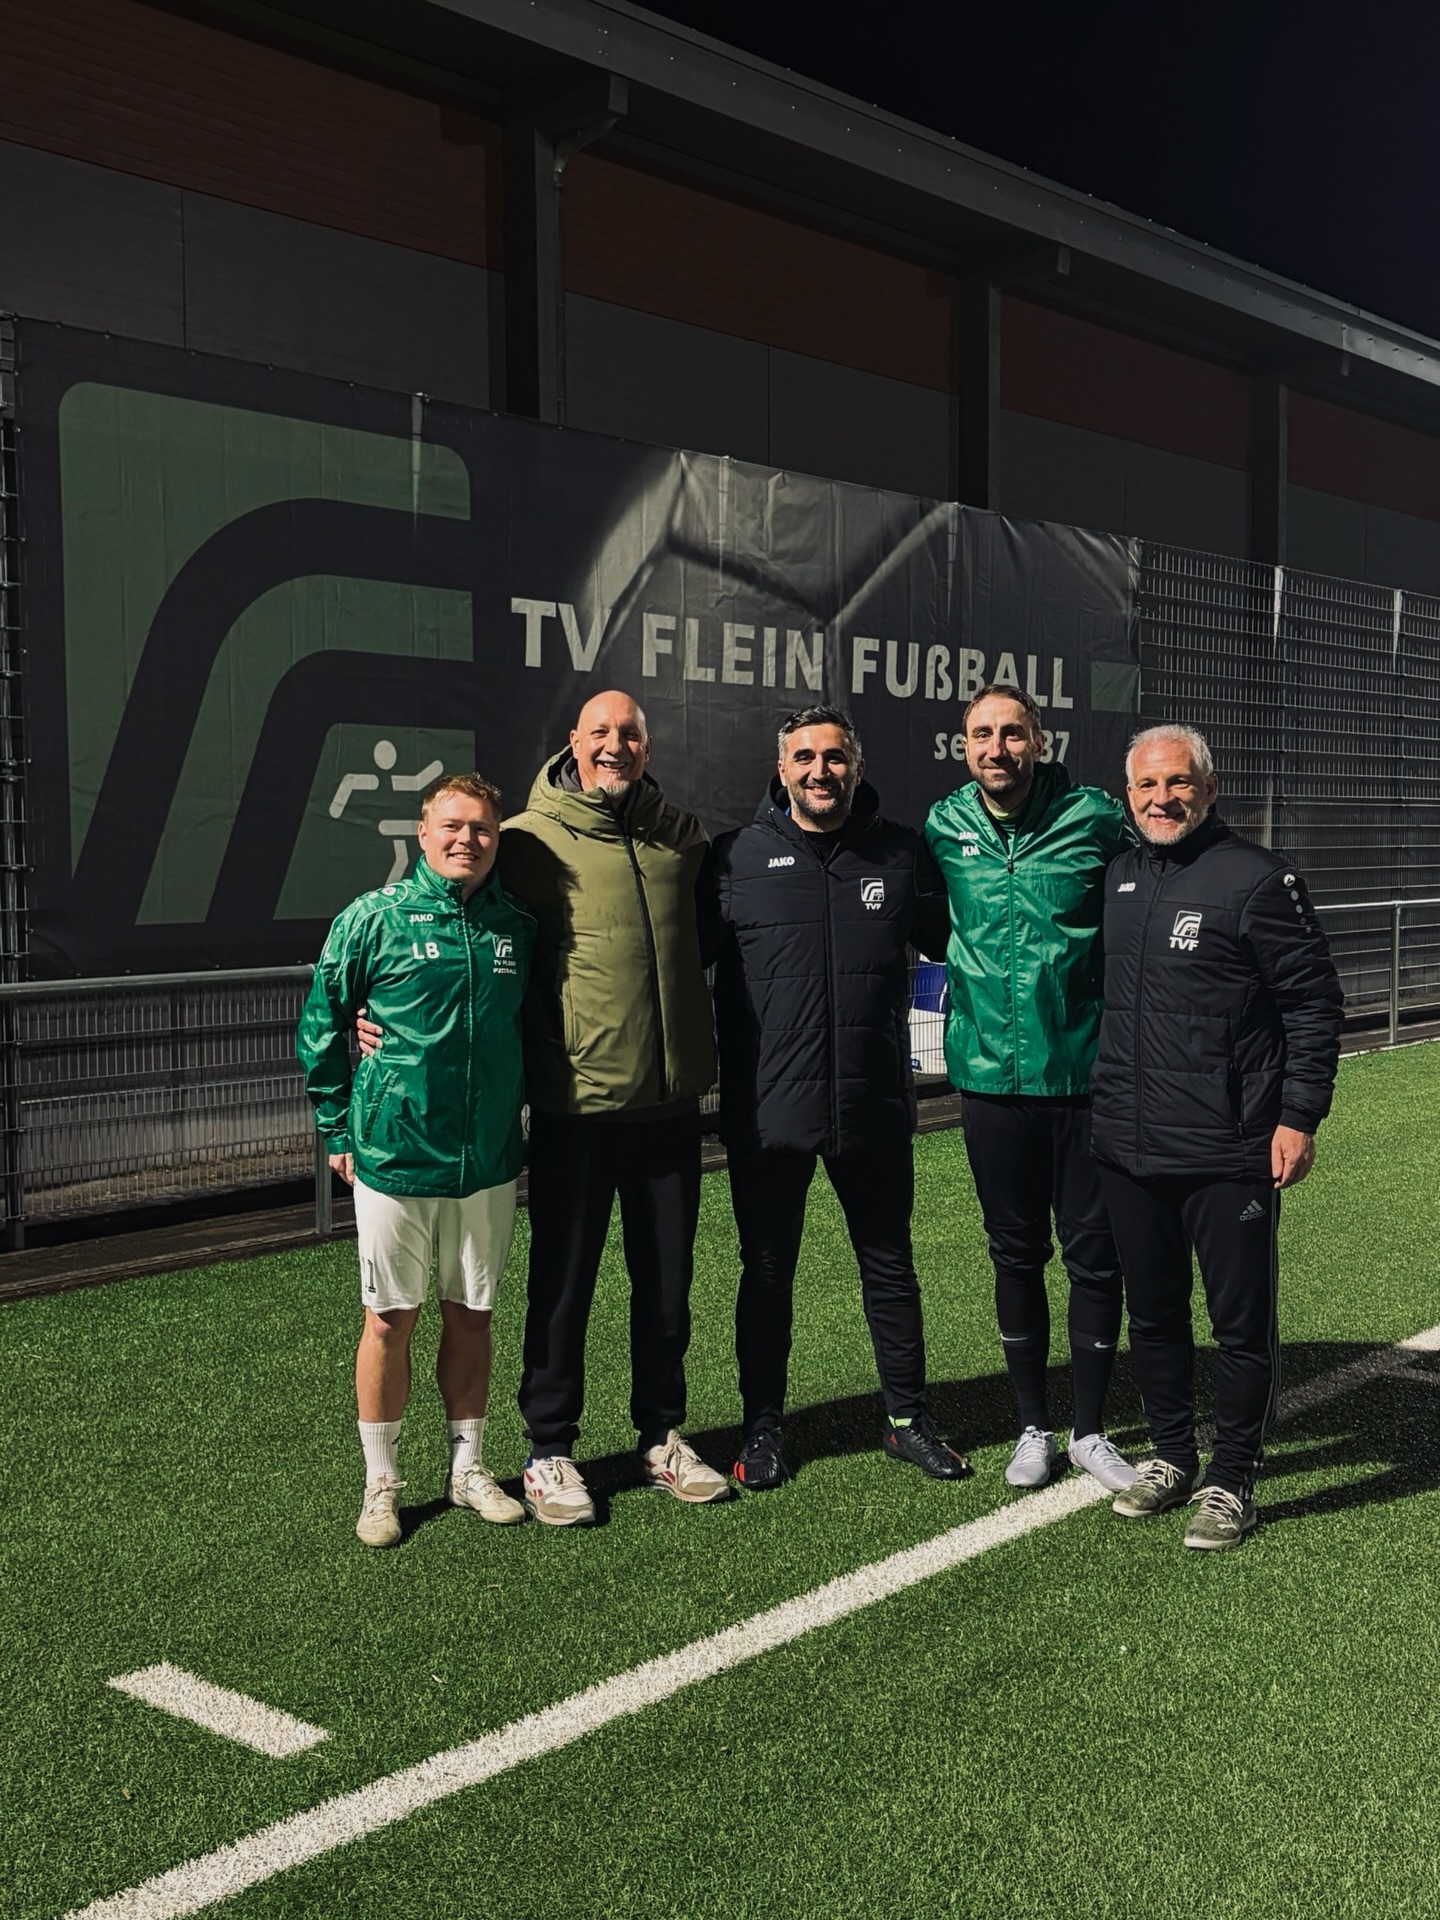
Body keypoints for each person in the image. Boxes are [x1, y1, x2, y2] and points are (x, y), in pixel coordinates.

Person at [1090, 723, 1343, 1548]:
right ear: (1127, 796)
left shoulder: (1260, 879)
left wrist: (1299, 1116)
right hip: (1129, 1148)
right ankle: (1170, 1455)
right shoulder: (1120, 875)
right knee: (1155, 1315)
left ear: (1208, 785)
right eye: (1146, 787)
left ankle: (1232, 1478)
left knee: (1240, 1325)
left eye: (1178, 783)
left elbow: (1313, 1004)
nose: (1162, 799)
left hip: (1230, 1150)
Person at [706, 705, 969, 1489]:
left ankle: (908, 1420)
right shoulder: (732, 859)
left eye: (835, 757)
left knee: (890, 1268)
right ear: (781, 770)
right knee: (766, 1273)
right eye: (804, 758)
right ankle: (761, 1431)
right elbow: (658, 968)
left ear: (856, 766)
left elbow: (972, 944)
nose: (820, 771)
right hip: (767, 1114)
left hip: (874, 1107)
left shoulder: (899, 854)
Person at [499, 691, 727, 1523]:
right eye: (600, 733)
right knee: (563, 1288)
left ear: (646, 743)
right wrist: (373, 1011)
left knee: (667, 1289)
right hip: (577, 1112)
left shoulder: (680, 837)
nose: (615, 746)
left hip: (670, 1110)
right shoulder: (527, 841)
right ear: (573, 743)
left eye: (629, 733)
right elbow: (462, 926)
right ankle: (548, 1450)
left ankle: (662, 1434)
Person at [297, 773, 535, 1548]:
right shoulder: (375, 918)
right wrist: (338, 1128)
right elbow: (324, 1023)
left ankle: (468, 1469)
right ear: (423, 835)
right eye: (454, 827)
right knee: (389, 1321)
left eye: (483, 830)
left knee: (472, 1317)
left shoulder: (516, 928)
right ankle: (381, 1482)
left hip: (488, 1164)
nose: (468, 840)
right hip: (396, 1158)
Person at [925, 685, 1137, 1493]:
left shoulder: (1094, 817)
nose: (997, 748)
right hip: (987, 1084)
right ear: (964, 745)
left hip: (1083, 1079)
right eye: (983, 735)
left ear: (1039, 741)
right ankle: (1032, 1427)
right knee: (1014, 1254)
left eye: (1013, 733)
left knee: (1093, 1255)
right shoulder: (946, 826)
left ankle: (1088, 1430)